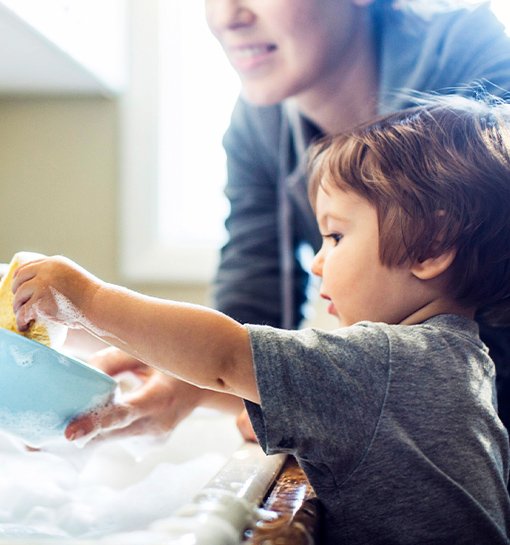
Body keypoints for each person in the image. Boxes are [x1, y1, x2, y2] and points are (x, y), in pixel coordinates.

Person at [11, 95, 510, 543]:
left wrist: (89, 298)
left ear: (432, 247)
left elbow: (225, 353)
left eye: (335, 236)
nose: (317, 261)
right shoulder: (451, 361)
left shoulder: (389, 362)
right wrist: (182, 388)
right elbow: (241, 378)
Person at [69, 0, 510, 442]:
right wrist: (185, 373)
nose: (227, 16)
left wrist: (85, 298)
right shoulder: (256, 125)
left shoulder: (477, 72)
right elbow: (251, 306)